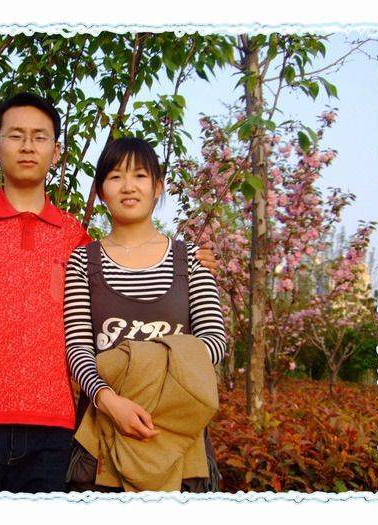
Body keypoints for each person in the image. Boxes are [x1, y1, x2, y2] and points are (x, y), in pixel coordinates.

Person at [0, 93, 219, 493]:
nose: (28, 146)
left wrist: (190, 264)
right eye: (16, 136)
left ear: (56, 153)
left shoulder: (76, 240)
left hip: (52, 429)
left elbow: (105, 313)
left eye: (40, 137)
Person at [63, 137, 226, 491]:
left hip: (180, 434)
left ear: (157, 187)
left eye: (139, 175)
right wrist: (109, 401)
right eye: (115, 176)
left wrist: (135, 366)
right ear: (101, 191)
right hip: (101, 436)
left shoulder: (190, 260)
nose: (128, 186)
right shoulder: (83, 262)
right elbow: (77, 350)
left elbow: (214, 342)